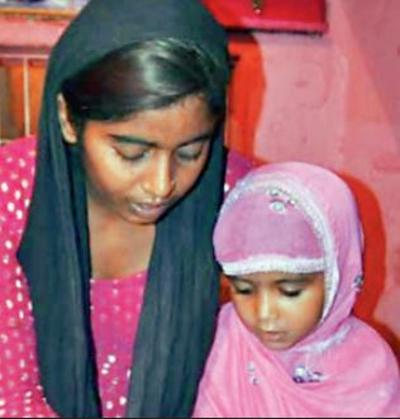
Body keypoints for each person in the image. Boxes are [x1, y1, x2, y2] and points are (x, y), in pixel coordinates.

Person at [0, 0, 252, 417]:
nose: (161, 184)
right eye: (132, 153)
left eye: (191, 152)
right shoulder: (10, 195)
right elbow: (9, 396)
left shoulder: (236, 197)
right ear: (67, 118)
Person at [193, 162, 400, 418]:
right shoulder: (228, 337)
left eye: (290, 292)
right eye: (244, 290)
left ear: (336, 279)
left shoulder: (368, 366)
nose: (265, 314)